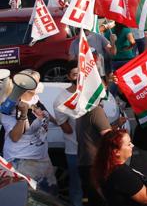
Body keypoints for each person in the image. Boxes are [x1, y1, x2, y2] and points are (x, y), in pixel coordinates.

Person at [0, 69, 57, 194]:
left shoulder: (35, 99)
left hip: (42, 158)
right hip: (22, 161)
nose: (40, 84)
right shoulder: (9, 108)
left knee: (48, 197)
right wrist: (23, 115)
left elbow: (45, 114)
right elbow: (15, 137)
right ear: (27, 85)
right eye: (37, 81)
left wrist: (60, 122)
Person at [93, 129, 147, 206]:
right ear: (116, 152)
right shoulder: (121, 174)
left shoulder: (107, 166)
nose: (132, 145)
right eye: (128, 144)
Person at [53, 61, 83, 206]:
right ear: (68, 76)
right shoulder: (61, 99)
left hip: (93, 149)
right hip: (74, 150)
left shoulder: (91, 93)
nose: (78, 77)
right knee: (76, 184)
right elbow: (68, 129)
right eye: (75, 74)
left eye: (80, 74)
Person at [76, 97, 112, 206]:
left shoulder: (82, 109)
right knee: (100, 199)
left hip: (85, 162)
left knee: (91, 198)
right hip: (95, 163)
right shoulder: (96, 110)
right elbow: (110, 138)